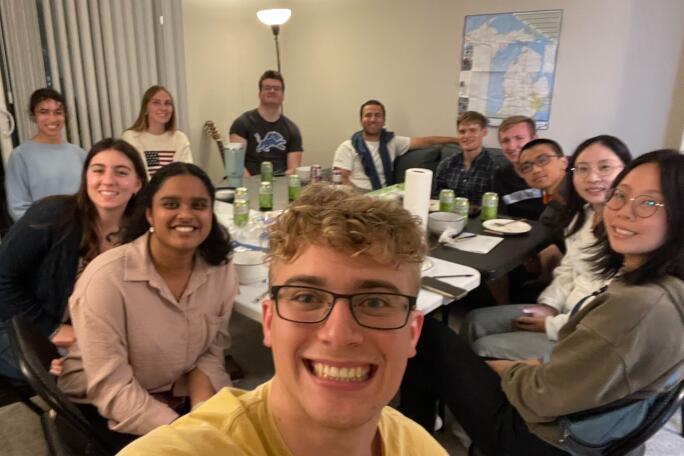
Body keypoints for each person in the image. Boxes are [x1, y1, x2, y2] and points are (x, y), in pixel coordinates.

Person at [118, 185, 447, 455]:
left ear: (413, 332)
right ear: (270, 321)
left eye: (374, 302)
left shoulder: (420, 447)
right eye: (306, 298)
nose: (338, 334)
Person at [400, 150, 684, 455]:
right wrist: (536, 364)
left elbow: (542, 396)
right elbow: (586, 365)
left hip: (546, 439)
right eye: (621, 195)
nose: (625, 211)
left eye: (649, 203)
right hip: (586, 421)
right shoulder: (662, 286)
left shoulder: (639, 306)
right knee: (459, 342)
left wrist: (506, 369)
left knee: (427, 335)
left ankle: (411, 442)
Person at [57, 163, 237, 448]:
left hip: (174, 390)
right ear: (150, 214)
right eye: (171, 204)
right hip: (103, 404)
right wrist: (187, 436)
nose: (186, 214)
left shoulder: (221, 269)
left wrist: (202, 414)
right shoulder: (105, 280)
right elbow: (112, 389)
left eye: (199, 205)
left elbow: (211, 351)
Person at [462, 135, 632, 360]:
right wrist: (550, 305)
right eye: (583, 169)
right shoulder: (581, 216)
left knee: (484, 346)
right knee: (474, 321)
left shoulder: (629, 230)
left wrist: (552, 324)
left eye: (604, 167)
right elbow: (568, 269)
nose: (592, 177)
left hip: (588, 334)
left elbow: (612, 310)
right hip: (565, 309)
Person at [0, 138, 146, 379]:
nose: (108, 180)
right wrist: (52, 329)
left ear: (137, 183)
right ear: (86, 177)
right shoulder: (52, 215)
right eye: (98, 170)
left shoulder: (140, 234)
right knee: (86, 376)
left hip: (90, 331)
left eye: (121, 172)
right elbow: (3, 279)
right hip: (16, 322)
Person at [332, 99, 459, 191]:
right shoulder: (347, 146)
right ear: (361, 120)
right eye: (368, 115)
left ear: (383, 121)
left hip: (385, 194)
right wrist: (358, 200)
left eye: (378, 115)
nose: (373, 119)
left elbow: (426, 141)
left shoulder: (392, 142)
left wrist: (457, 140)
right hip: (358, 193)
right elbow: (341, 178)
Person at [5, 88, 86, 221]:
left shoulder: (80, 154)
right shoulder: (20, 156)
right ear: (33, 115)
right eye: (44, 112)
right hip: (42, 231)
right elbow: (18, 208)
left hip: (81, 227)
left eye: (58, 112)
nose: (52, 119)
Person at [229, 70, 303, 176]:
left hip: (281, 182)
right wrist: (253, 184)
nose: (272, 91)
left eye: (277, 89)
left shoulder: (292, 129)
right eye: (267, 88)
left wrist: (279, 183)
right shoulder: (241, 123)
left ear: (283, 96)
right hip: (249, 183)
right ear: (259, 94)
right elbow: (236, 166)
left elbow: (294, 169)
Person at [432, 111, 503, 205]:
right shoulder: (446, 165)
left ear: (484, 132)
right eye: (462, 132)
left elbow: (497, 205)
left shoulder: (495, 167)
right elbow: (436, 199)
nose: (466, 136)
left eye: (472, 130)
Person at [122, 85, 193, 178]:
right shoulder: (130, 137)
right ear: (145, 109)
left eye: (167, 103)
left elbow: (186, 173)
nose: (163, 108)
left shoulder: (180, 138)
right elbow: (138, 175)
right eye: (156, 103)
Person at [492, 116, 545, 219]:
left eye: (519, 138)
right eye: (505, 140)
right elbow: (500, 216)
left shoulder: (549, 172)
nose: (512, 147)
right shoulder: (500, 176)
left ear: (534, 140)